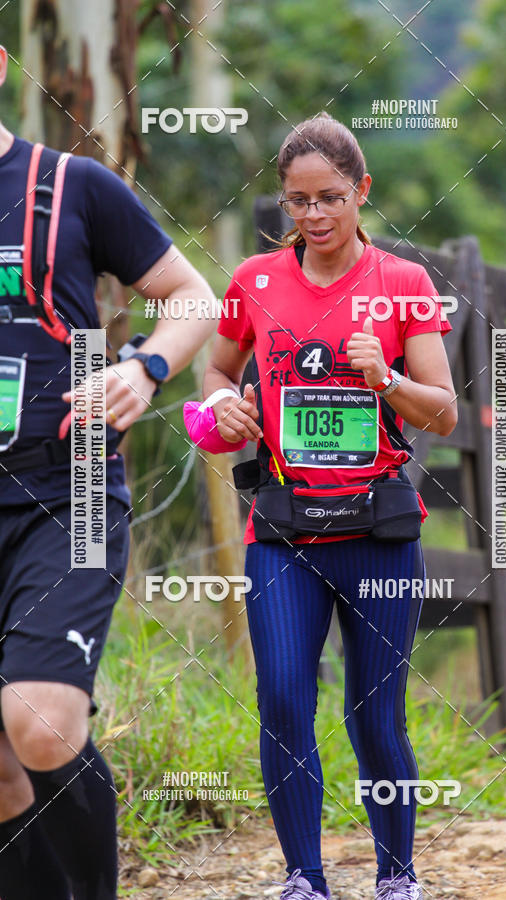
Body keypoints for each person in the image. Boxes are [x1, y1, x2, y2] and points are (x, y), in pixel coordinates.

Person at [200, 112, 457, 900]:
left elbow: (442, 411)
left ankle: (395, 876)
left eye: (331, 199)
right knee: (282, 695)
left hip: (378, 530)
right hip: (283, 529)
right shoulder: (255, 281)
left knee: (375, 713)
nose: (313, 216)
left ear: (362, 192)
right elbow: (213, 374)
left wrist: (385, 378)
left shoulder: (404, 286)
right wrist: (223, 411)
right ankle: (304, 878)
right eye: (297, 201)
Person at [0, 44, 218, 900]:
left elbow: (193, 296)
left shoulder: (73, 186)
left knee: (41, 723)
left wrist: (144, 368)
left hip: (72, 488)